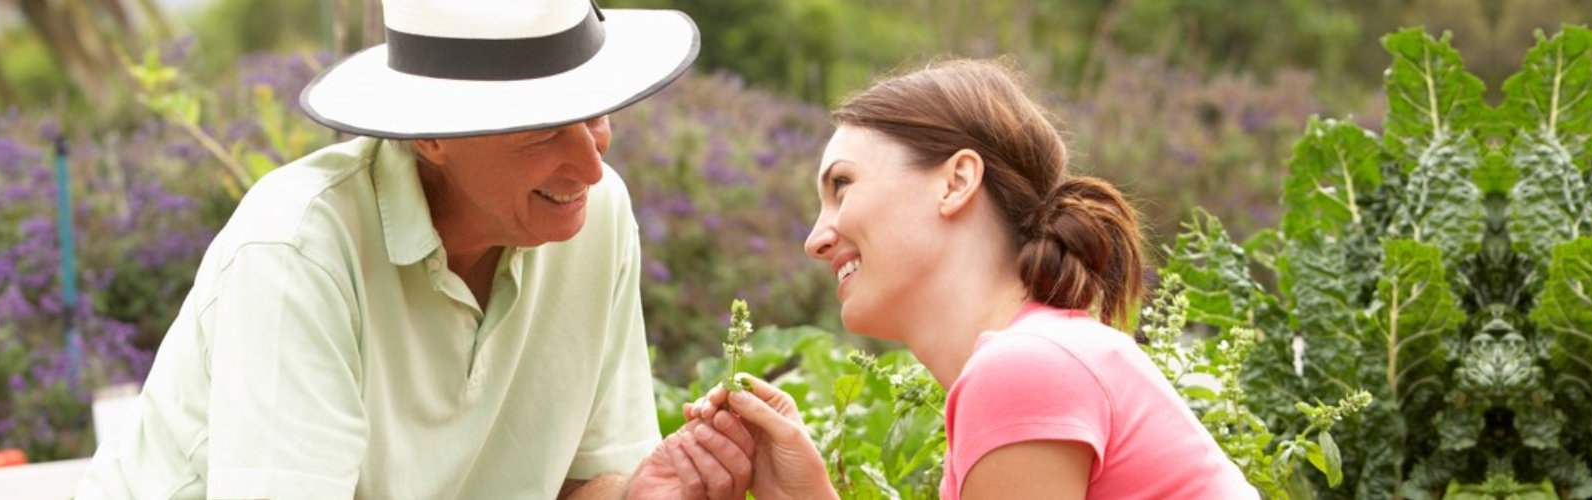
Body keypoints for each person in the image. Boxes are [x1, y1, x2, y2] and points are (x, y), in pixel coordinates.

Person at [76, 1, 757, 498]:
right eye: (543, 129)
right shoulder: (298, 247)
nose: (588, 163)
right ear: (431, 136)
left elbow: (586, 480)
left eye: (597, 111)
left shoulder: (597, 216)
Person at [684, 59, 1258, 499]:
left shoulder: (1026, 367)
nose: (817, 238)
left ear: (957, 181)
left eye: (842, 186)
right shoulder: (1039, 357)